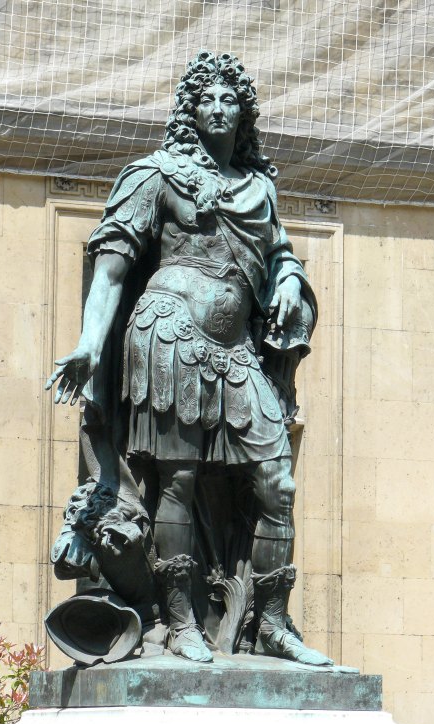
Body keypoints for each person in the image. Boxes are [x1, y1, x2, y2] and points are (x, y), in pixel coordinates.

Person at [46, 50, 330, 667]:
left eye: (232, 99)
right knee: (177, 480)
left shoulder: (259, 187)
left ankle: (272, 622)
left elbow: (278, 254)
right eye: (208, 98)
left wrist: (287, 280)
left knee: (276, 480)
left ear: (244, 114)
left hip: (235, 352)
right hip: (168, 335)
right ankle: (180, 622)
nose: (220, 108)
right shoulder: (157, 175)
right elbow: (113, 264)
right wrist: (91, 344)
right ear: (189, 111)